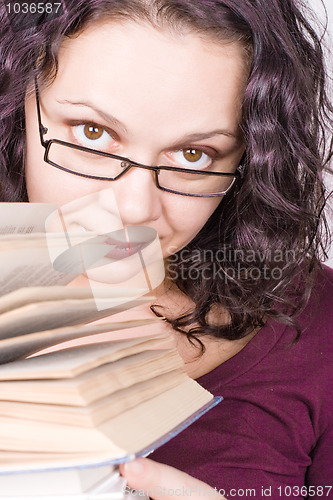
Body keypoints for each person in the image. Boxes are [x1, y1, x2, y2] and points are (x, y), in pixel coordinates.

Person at [1, 0, 333, 497]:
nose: (134, 210)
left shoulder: (322, 327)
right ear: (16, 104)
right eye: (93, 133)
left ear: (250, 156)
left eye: (194, 155)